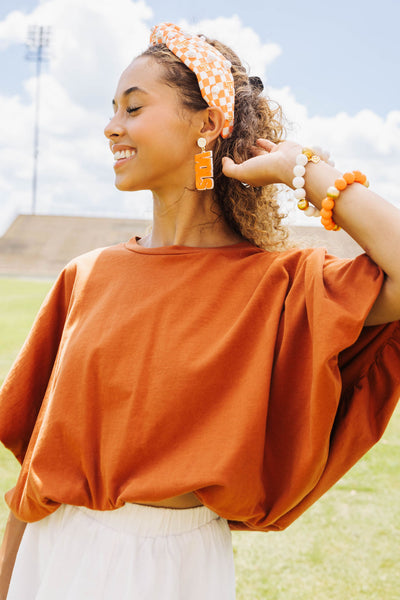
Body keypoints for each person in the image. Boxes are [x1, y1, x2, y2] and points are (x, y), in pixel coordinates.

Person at [0, 21, 399, 600]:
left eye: (133, 108)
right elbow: (37, 473)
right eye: (112, 109)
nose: (112, 126)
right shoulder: (84, 276)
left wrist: (305, 169)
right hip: (54, 554)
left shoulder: (281, 285)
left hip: (180, 570)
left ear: (208, 123)